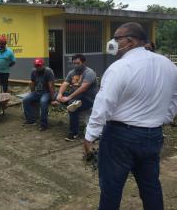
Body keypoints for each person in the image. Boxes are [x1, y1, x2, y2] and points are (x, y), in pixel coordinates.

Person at [84, 22, 177, 210]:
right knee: (150, 186)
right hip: (153, 135)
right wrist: (164, 119)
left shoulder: (120, 67)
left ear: (130, 41)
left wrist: (90, 135)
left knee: (111, 188)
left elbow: (104, 103)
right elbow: (174, 97)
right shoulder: (169, 65)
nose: (113, 42)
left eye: (117, 38)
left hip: (120, 137)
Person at [52, 54, 97, 141]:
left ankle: (74, 133)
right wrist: (60, 95)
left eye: (78, 63)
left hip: (88, 98)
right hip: (75, 97)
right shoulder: (72, 72)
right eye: (74, 63)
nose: (76, 65)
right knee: (55, 95)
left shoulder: (89, 73)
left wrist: (68, 98)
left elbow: (83, 88)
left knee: (73, 108)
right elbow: (65, 84)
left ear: (84, 63)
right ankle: (68, 102)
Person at [22, 58, 55, 131]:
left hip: (47, 92)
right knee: (25, 100)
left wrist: (53, 99)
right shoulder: (33, 71)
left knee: (43, 102)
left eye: (39, 65)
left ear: (43, 65)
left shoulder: (48, 71)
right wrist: (32, 93)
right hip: (37, 92)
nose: (38, 67)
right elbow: (33, 83)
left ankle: (44, 125)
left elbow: (51, 86)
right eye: (36, 66)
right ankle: (31, 120)